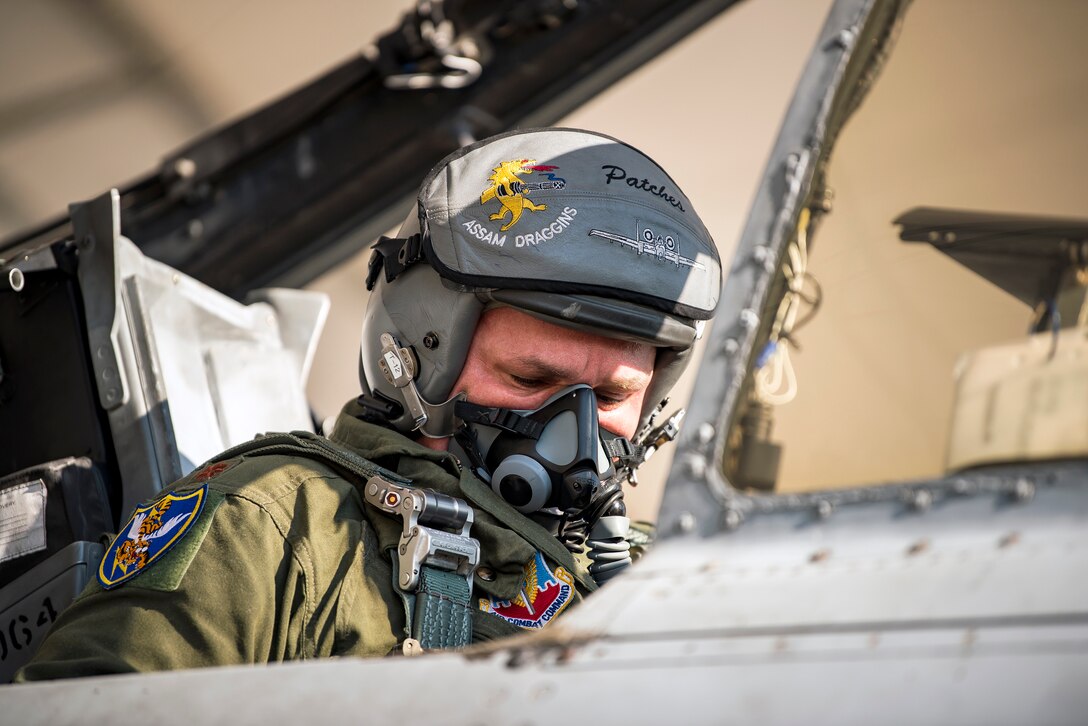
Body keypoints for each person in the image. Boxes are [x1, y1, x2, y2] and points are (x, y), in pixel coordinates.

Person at [17, 127, 721, 679]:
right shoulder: (273, 525)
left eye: (610, 396)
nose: (574, 430)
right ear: (412, 358)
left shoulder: (674, 576)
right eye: (531, 381)